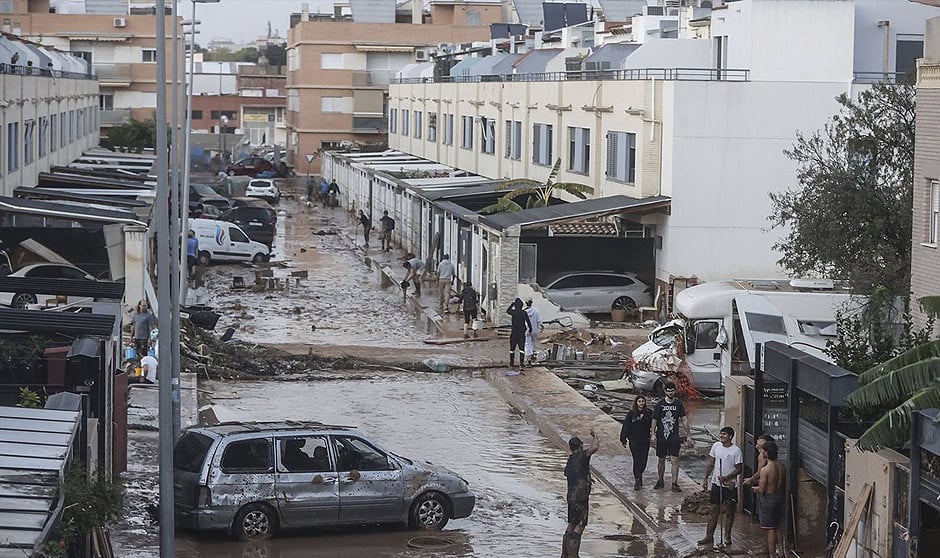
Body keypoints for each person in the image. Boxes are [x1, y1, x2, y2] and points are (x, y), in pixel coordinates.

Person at [698, 426, 744, 549]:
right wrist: (705, 478)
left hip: (730, 486)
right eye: (721, 434)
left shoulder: (736, 451)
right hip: (716, 484)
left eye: (724, 434)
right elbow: (711, 463)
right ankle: (709, 535)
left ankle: (727, 536)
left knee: (729, 511)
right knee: (714, 510)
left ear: (730, 437)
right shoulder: (716, 446)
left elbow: (739, 469)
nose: (721, 436)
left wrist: (727, 477)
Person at [563, 430, 599, 558]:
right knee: (580, 526)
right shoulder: (583, 455)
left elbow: (570, 473)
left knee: (571, 524)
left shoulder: (571, 459)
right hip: (581, 497)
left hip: (571, 497)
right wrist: (595, 436)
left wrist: (587, 477)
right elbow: (595, 447)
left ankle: (565, 554)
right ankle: (574, 555)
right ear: (580, 446)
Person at [651, 381, 691, 492]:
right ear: (665, 391)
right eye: (668, 391)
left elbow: (683, 419)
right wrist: (653, 434)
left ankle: (674, 483)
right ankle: (660, 480)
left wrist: (688, 435)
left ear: (675, 391)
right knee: (661, 459)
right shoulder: (660, 404)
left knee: (675, 459)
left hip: (674, 436)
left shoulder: (678, 404)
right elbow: (654, 419)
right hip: (661, 436)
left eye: (672, 390)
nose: (670, 393)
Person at [753, 440, 786, 558]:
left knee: (770, 528)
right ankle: (781, 551)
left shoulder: (765, 470)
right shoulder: (781, 466)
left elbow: (762, 489)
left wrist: (754, 488)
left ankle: (772, 554)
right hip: (779, 496)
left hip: (769, 499)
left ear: (766, 453)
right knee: (778, 526)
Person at [620, 395, 653, 490]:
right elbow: (626, 426)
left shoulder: (648, 413)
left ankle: (640, 475)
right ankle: (637, 480)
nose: (641, 403)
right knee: (637, 460)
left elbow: (653, 424)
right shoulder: (631, 414)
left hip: (645, 440)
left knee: (643, 461)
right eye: (639, 401)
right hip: (634, 440)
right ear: (636, 403)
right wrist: (623, 438)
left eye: (643, 401)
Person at [506, 298, 532, 369]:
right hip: (521, 334)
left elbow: (507, 311)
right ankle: (521, 364)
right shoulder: (524, 313)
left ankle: (511, 364)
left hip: (514, 333)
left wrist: (511, 304)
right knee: (522, 349)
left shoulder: (513, 312)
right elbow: (528, 322)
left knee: (512, 349)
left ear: (515, 305)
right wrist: (530, 329)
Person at [523, 299, 542, 366]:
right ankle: (534, 357)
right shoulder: (536, 311)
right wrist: (540, 327)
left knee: (527, 344)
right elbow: (539, 320)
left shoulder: (524, 311)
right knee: (534, 343)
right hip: (534, 330)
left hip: (526, 330)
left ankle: (528, 358)